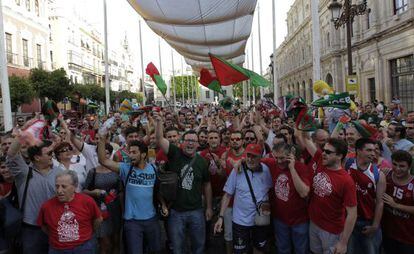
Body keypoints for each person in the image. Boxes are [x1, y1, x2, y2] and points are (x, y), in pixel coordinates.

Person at [154, 112, 213, 254]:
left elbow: (207, 184)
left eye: (193, 141)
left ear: (198, 144)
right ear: (182, 141)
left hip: (196, 211)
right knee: (178, 247)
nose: (190, 143)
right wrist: (158, 122)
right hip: (176, 212)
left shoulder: (202, 162)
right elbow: (159, 138)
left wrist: (209, 207)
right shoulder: (175, 153)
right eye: (188, 140)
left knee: (198, 246)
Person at [97, 137, 162, 254]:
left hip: (152, 220)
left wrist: (163, 205)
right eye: (129, 152)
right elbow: (103, 160)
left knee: (156, 250)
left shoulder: (153, 169)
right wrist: (102, 140)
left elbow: (158, 190)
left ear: (143, 155)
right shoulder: (125, 168)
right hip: (132, 222)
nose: (130, 155)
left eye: (134, 152)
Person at [297, 133, 357, 254]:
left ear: (339, 156)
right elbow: (306, 139)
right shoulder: (321, 160)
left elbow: (352, 214)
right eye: (324, 150)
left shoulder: (346, 181)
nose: (324, 153)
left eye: (328, 152)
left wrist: (343, 242)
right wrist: (302, 127)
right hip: (314, 223)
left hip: (331, 231)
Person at [6, 137, 63, 254]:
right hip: (31, 230)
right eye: (48, 153)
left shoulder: (60, 173)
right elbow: (11, 155)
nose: (52, 155)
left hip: (56, 227)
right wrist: (23, 134)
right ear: (37, 157)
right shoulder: (24, 173)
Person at [214, 143, 273, 254]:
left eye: (254, 156)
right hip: (240, 221)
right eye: (248, 155)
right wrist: (220, 217)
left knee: (259, 249)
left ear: (260, 157)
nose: (250, 159)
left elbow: (270, 190)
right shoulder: (237, 170)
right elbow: (227, 195)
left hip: (261, 219)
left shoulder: (266, 170)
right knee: (241, 251)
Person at [37, 170, 102, 253]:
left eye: (64, 186)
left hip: (84, 248)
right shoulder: (47, 206)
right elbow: (44, 227)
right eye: (57, 186)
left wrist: (87, 233)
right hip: (58, 249)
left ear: (75, 186)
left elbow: (98, 219)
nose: (59, 190)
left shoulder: (87, 201)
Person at [262, 143, 310, 254]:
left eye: (282, 158)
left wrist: (292, 168)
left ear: (290, 155)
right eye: (276, 157)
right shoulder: (272, 163)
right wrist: (241, 161)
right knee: (283, 249)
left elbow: (303, 193)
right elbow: (254, 160)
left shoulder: (300, 167)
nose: (279, 161)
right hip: (280, 220)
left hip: (299, 221)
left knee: (301, 250)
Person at [345, 138, 386, 254]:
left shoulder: (378, 174)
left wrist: (375, 226)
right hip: (348, 220)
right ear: (358, 151)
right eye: (369, 150)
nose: (373, 153)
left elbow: (380, 202)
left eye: (374, 150)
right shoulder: (347, 164)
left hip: (367, 222)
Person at [83, 143, 122, 254]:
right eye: (101, 154)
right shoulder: (93, 172)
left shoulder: (117, 170)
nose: (104, 156)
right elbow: (84, 191)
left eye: (107, 154)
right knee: (105, 243)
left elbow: (121, 189)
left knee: (116, 241)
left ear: (110, 155)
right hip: (101, 210)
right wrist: (95, 193)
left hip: (116, 208)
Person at [382, 150, 414, 254]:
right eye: (395, 164)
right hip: (387, 233)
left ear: (409, 167)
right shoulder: (386, 175)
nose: (397, 169)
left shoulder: (412, 184)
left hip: (407, 237)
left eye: (402, 166)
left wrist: (395, 205)